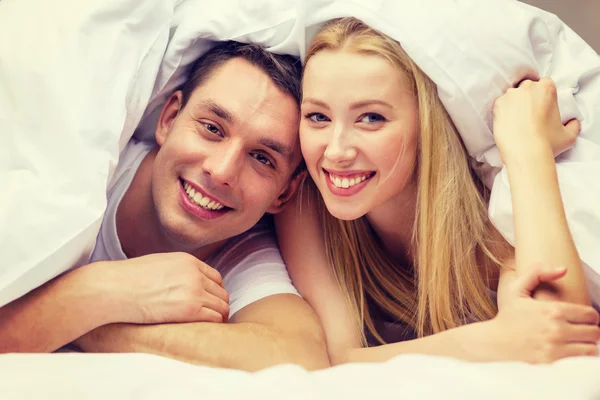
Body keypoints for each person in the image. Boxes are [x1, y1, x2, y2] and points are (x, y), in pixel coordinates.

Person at [276, 17, 600, 365]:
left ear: (426, 127)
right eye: (318, 117)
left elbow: (560, 331)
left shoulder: (488, 224)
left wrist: (528, 149)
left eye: (371, 118)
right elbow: (339, 356)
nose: (336, 151)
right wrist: (488, 341)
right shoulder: (305, 203)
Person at [0, 41, 329, 372]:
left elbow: (299, 354)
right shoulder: (81, 175)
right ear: (169, 119)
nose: (222, 171)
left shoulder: (243, 251)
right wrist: (103, 288)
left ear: (283, 193)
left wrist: (96, 324)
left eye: (262, 158)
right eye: (212, 129)